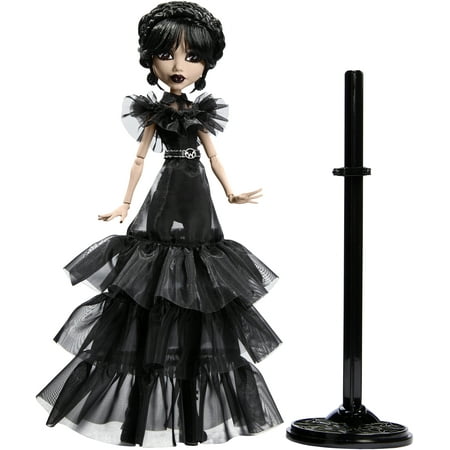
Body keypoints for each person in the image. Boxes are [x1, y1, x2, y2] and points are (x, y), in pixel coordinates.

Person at [36, 2, 283, 446]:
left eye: (192, 57)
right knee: (152, 287)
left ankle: (191, 420)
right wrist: (124, 203)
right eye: (167, 54)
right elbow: (138, 158)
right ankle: (137, 420)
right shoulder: (154, 114)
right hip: (166, 192)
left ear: (206, 65)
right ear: (150, 60)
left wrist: (231, 191)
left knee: (200, 285)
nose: (178, 66)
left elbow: (214, 155)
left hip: (198, 199)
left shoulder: (202, 112)